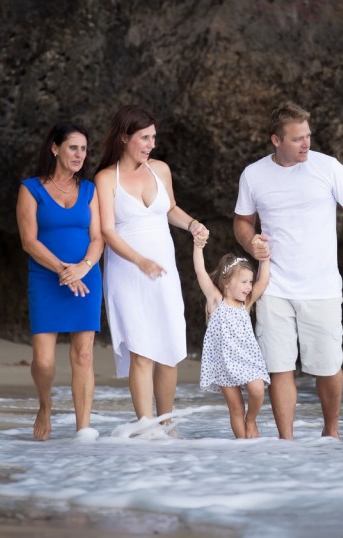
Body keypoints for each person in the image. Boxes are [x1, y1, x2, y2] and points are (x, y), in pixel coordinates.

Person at [234, 102, 343, 440]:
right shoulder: (253, 174)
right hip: (273, 285)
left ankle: (331, 434)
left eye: (308, 136)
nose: (306, 144)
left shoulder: (328, 167)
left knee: (328, 368)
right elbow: (242, 222)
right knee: (279, 368)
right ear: (276, 140)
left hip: (321, 287)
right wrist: (251, 242)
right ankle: (287, 443)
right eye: (297, 139)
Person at [94, 106, 208, 424]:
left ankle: (166, 425)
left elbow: (170, 209)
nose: (151, 144)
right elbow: (107, 231)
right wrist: (140, 260)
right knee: (141, 351)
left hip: (163, 272)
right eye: (144, 138)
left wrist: (193, 224)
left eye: (153, 138)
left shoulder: (160, 170)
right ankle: (147, 427)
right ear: (124, 137)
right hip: (127, 272)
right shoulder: (106, 178)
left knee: (169, 350)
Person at [16, 122, 103, 441]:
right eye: (73, 147)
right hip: (45, 278)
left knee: (83, 355)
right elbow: (29, 241)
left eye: (84, 149)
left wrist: (82, 267)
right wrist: (62, 269)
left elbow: (98, 238)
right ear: (55, 148)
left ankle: (83, 430)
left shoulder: (90, 190)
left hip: (86, 278)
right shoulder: (31, 189)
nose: (79, 154)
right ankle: (45, 404)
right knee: (43, 362)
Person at [193, 234, 272, 439]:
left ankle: (251, 420)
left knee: (257, 390)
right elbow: (200, 272)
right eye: (244, 282)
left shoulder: (246, 303)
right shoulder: (216, 300)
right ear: (227, 282)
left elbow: (263, 280)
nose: (249, 286)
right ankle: (242, 445)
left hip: (247, 359)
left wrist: (264, 257)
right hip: (223, 363)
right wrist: (198, 246)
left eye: (250, 282)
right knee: (236, 408)